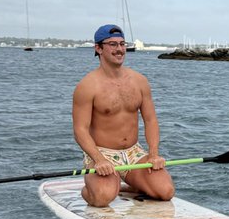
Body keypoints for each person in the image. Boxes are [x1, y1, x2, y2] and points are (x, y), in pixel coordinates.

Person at [72, 23, 176, 207]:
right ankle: (89, 191)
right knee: (102, 198)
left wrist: (153, 155)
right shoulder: (87, 86)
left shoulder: (139, 81)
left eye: (122, 44)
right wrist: (99, 160)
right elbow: (80, 130)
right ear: (98, 48)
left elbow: (150, 120)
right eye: (112, 44)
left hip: (134, 152)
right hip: (102, 153)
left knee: (165, 191)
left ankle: (130, 183)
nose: (119, 49)